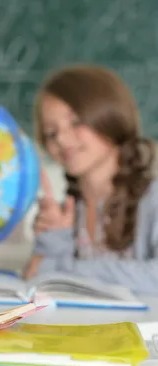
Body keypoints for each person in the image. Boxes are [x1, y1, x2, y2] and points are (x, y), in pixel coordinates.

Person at [23, 64, 158, 295]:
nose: (63, 140)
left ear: (110, 117)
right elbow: (41, 280)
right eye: (51, 132)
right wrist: (56, 238)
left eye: (76, 123)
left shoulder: (152, 197)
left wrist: (58, 267)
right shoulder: (71, 209)